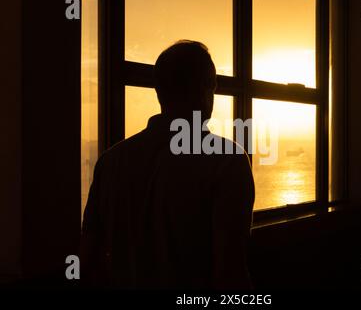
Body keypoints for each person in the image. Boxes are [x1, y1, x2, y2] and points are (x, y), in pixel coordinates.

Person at [81, 40, 255, 289]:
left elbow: (89, 257)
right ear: (208, 89)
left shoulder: (110, 162)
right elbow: (230, 271)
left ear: (159, 91)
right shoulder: (227, 161)